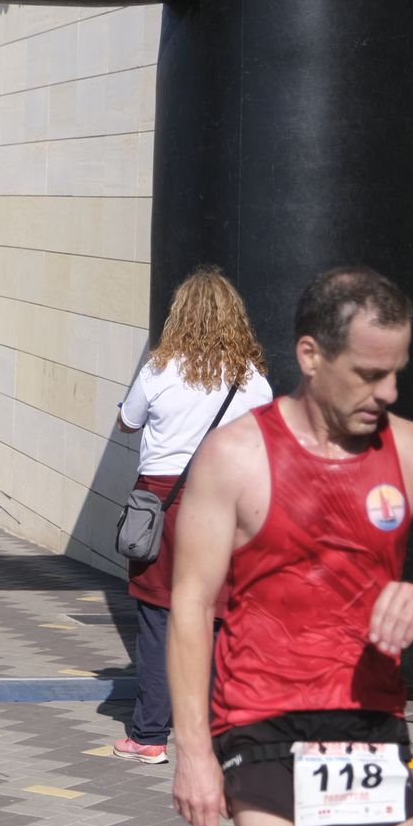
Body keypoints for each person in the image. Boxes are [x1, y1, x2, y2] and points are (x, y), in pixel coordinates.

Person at [168, 267, 413, 826]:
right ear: (310, 356)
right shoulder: (234, 456)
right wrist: (193, 753)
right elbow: (190, 605)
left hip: (368, 714)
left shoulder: (409, 448)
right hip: (262, 715)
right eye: (369, 374)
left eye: (395, 374)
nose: (389, 393)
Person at [112, 266, 272, 765]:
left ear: (178, 315)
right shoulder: (254, 381)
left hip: (163, 505)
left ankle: (149, 736)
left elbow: (127, 422)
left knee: (160, 618)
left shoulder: (159, 370)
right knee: (222, 617)